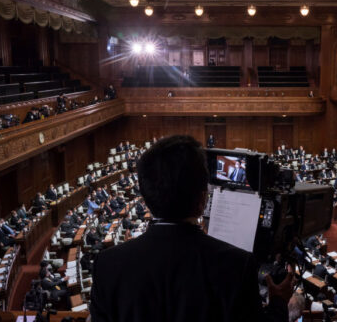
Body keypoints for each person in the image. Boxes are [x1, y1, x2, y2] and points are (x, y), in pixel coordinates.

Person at [90, 135, 292, 322]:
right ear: (203, 200)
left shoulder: (108, 266)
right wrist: (279, 302)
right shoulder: (236, 265)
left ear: (145, 197)